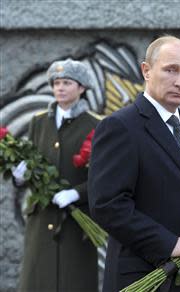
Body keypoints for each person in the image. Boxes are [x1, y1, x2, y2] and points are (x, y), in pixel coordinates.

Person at [88, 36, 180, 291]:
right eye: (170, 70)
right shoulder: (120, 126)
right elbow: (108, 205)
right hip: (145, 277)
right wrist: (169, 243)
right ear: (146, 70)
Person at [11, 59, 101, 291]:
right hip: (41, 219)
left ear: (81, 88)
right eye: (56, 83)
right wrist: (21, 175)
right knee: (37, 281)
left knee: (74, 281)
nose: (60, 88)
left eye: (67, 82)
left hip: (75, 223)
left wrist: (76, 193)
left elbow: (104, 176)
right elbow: (32, 161)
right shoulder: (39, 123)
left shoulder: (97, 125)